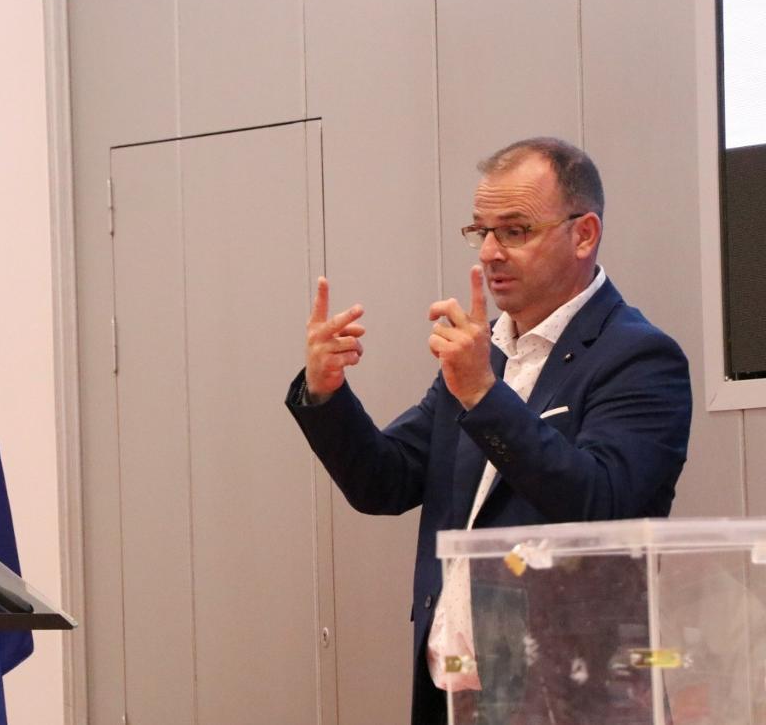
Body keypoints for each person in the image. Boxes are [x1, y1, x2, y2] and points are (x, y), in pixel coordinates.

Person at [285, 137, 692, 725]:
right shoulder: (488, 354)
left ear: (584, 234)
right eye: (481, 232)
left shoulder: (640, 357)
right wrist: (327, 394)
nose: (491, 253)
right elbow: (386, 481)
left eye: (516, 230)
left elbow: (603, 506)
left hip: (568, 694)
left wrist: (481, 393)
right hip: (456, 691)